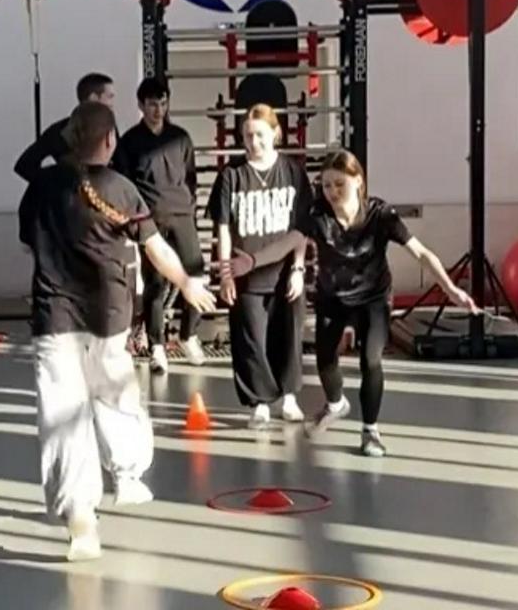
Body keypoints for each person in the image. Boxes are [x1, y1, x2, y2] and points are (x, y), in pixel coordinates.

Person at [20, 102, 216, 562]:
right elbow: (155, 248)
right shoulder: (121, 189)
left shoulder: (41, 188)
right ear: (109, 141)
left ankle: (79, 515)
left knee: (61, 416)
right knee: (116, 398)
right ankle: (127, 475)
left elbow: (30, 243)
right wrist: (187, 282)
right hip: (107, 317)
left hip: (54, 320)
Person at [233, 150, 479, 456]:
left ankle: (370, 431)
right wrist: (253, 260)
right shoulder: (318, 215)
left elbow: (420, 253)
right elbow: (286, 244)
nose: (332, 192)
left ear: (358, 182)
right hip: (332, 298)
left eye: (340, 184)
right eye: (327, 185)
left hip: (372, 298)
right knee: (325, 360)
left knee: (371, 360)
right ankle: (336, 404)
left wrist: (450, 288)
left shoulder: (380, 215)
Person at [208, 104, 313, 429]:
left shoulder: (293, 172)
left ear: (275, 133)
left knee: (289, 336)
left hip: (284, 273)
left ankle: (289, 396)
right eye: (248, 136)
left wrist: (298, 268)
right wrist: (226, 274)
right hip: (246, 274)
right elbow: (223, 228)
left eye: (260, 135)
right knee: (251, 340)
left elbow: (302, 227)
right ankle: (259, 402)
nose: (254, 142)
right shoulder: (232, 175)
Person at [112, 78, 205, 374]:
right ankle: (157, 347)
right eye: (152, 104)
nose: (158, 110)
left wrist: (190, 206)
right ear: (141, 105)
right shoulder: (130, 141)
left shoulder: (180, 138)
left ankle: (189, 335)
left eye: (163, 103)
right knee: (154, 283)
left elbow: (190, 177)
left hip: (182, 215)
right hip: (149, 219)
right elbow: (125, 183)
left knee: (196, 274)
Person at [12, 72, 115, 183]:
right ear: (93, 98)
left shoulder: (111, 129)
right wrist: (56, 183)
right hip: (73, 192)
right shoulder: (58, 132)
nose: (112, 103)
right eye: (110, 97)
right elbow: (24, 166)